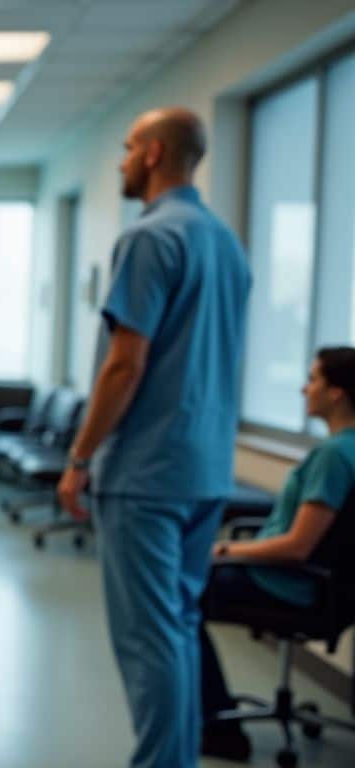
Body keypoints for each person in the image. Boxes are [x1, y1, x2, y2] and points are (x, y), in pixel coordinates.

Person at [56, 107, 251, 768]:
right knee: (180, 626)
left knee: (150, 638)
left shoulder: (148, 238)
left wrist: (79, 457)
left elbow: (125, 364)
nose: (120, 160)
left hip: (146, 472)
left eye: (127, 146)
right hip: (204, 470)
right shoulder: (225, 243)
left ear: (154, 152)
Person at [199, 347, 355, 762]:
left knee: (179, 592)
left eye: (313, 379)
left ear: (337, 393)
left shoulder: (333, 456)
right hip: (329, 588)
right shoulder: (348, 449)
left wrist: (228, 548)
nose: (304, 388)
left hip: (292, 585)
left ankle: (220, 729)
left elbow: (297, 546)